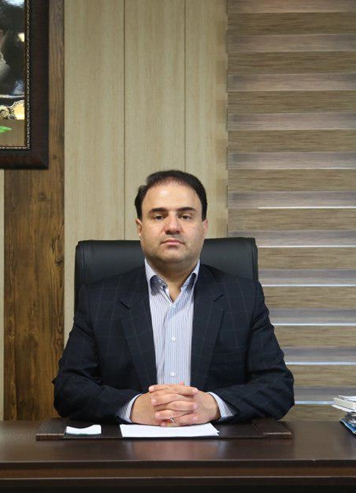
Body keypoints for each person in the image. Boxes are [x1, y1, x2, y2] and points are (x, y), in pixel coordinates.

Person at [53, 170, 294, 425]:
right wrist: (131, 407)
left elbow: (277, 388)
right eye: (159, 216)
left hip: (219, 446)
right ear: (140, 228)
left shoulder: (243, 297)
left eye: (185, 216)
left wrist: (213, 405)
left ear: (203, 228)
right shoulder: (99, 299)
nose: (172, 226)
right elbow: (68, 389)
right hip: (127, 447)